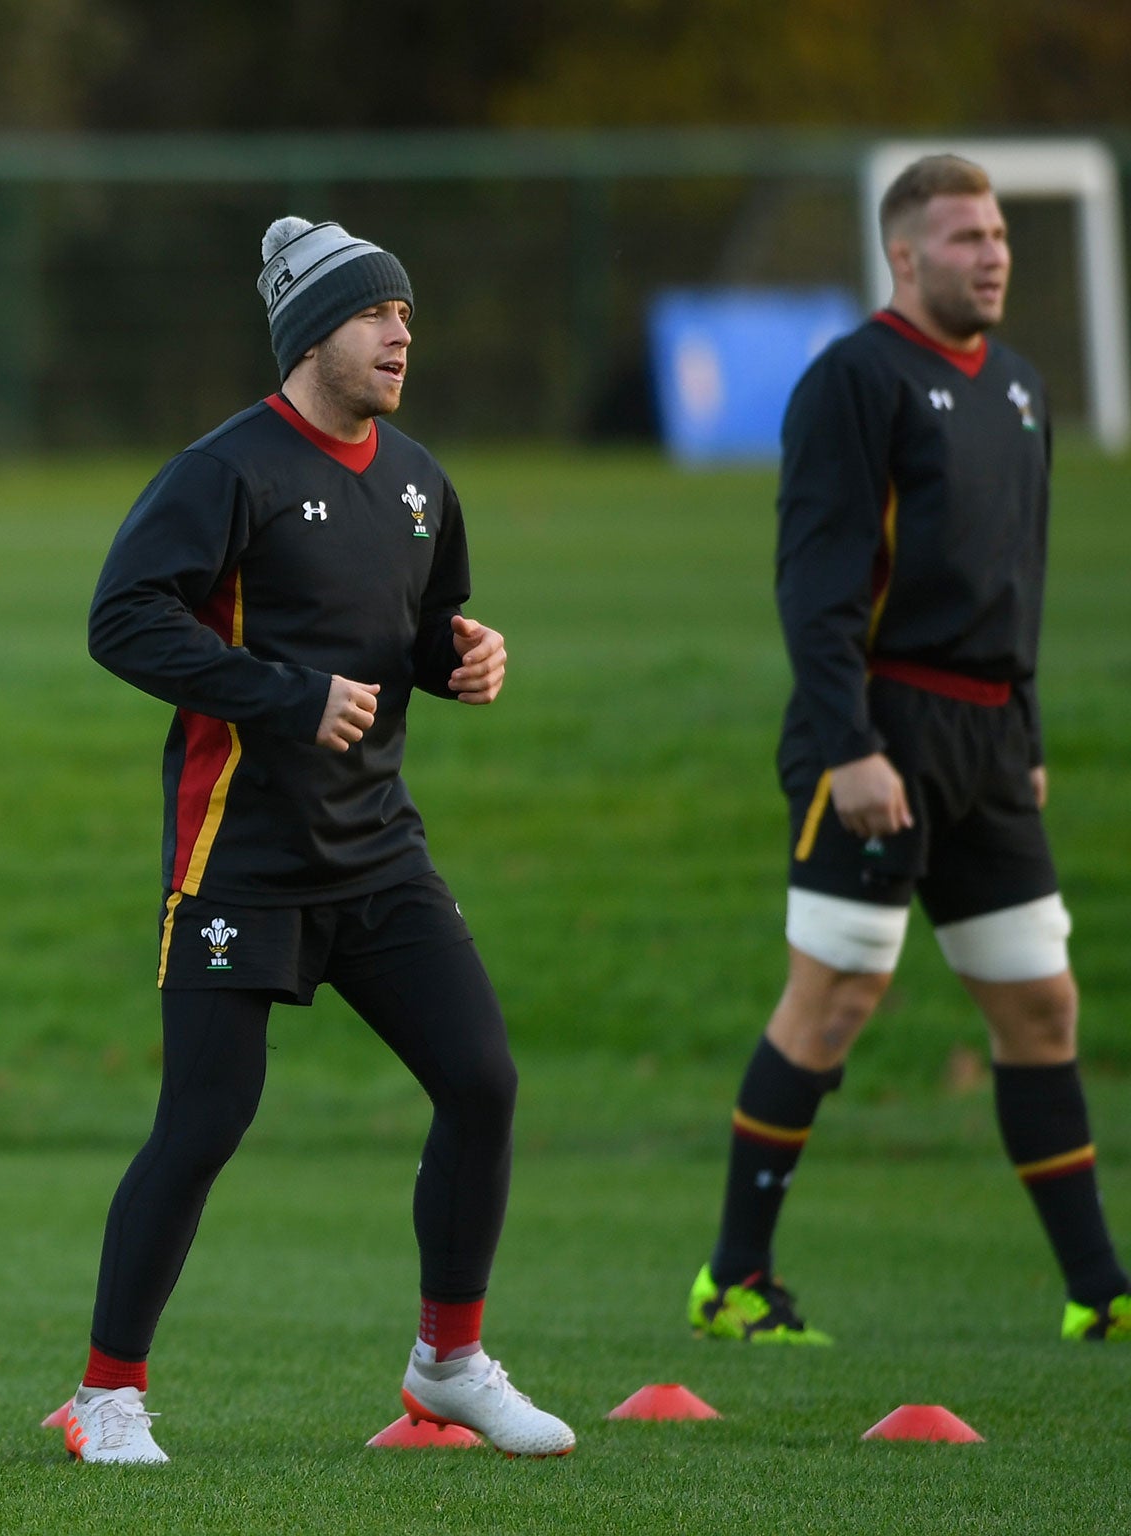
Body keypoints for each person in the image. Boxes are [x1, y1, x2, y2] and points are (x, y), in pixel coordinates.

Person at [58, 217, 575, 1464]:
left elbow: (416, 624)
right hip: (239, 852)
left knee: (480, 1080)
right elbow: (122, 622)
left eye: (404, 313)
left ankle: (447, 1362)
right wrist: (284, 693)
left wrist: (462, 658)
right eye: (372, 313)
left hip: (377, 851)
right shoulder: (222, 471)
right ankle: (106, 1395)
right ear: (307, 337)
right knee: (205, 1118)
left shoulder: (415, 480)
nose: (400, 332)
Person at [689, 154, 1128, 1346]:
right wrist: (847, 746)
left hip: (988, 745)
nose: (989, 252)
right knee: (832, 1004)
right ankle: (731, 1281)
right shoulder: (853, 381)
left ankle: (1099, 1294)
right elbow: (813, 584)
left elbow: (1019, 582)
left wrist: (1023, 733)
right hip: (879, 729)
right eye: (961, 237)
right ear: (901, 254)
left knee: (1038, 1006)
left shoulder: (1021, 388)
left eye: (995, 234)